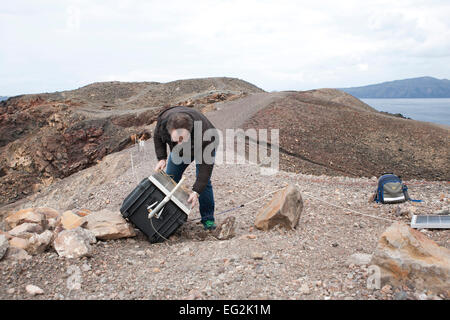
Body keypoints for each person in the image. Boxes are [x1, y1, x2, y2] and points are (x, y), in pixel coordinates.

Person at [153, 105, 219, 230]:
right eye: (176, 140)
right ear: (169, 130)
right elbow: (157, 137)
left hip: (202, 147)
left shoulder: (206, 135)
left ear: (190, 130)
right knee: (170, 180)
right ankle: (166, 215)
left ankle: (208, 220)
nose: (179, 144)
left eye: (182, 139)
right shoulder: (163, 122)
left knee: (204, 185)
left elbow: (205, 171)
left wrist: (196, 191)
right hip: (183, 151)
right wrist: (162, 157)